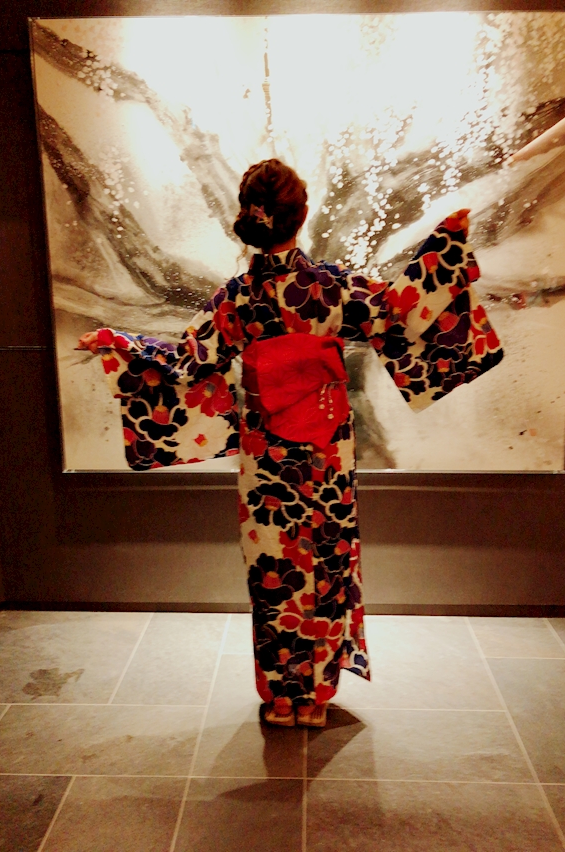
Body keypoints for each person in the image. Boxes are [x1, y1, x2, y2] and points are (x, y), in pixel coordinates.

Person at [78, 159, 502, 728]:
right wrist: (445, 248)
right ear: (300, 218)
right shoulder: (331, 287)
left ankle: (281, 697)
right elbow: (400, 313)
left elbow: (186, 362)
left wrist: (118, 343)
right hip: (326, 452)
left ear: (252, 219)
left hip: (266, 457)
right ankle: (316, 698)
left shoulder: (236, 298)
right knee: (325, 563)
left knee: (273, 568)